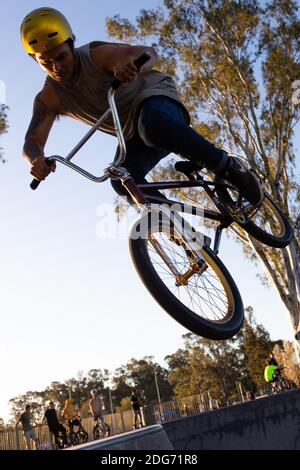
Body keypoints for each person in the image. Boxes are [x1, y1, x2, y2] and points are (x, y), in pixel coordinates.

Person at [20, 7, 263, 208]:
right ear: (35, 60)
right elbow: (32, 142)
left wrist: (126, 63)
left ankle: (227, 168)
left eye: (61, 56)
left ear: (71, 45)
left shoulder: (94, 56)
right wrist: (35, 160)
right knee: (122, 179)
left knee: (152, 125)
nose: (56, 67)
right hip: (133, 134)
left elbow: (147, 53)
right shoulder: (48, 98)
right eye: (46, 62)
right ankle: (175, 228)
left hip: (157, 101)